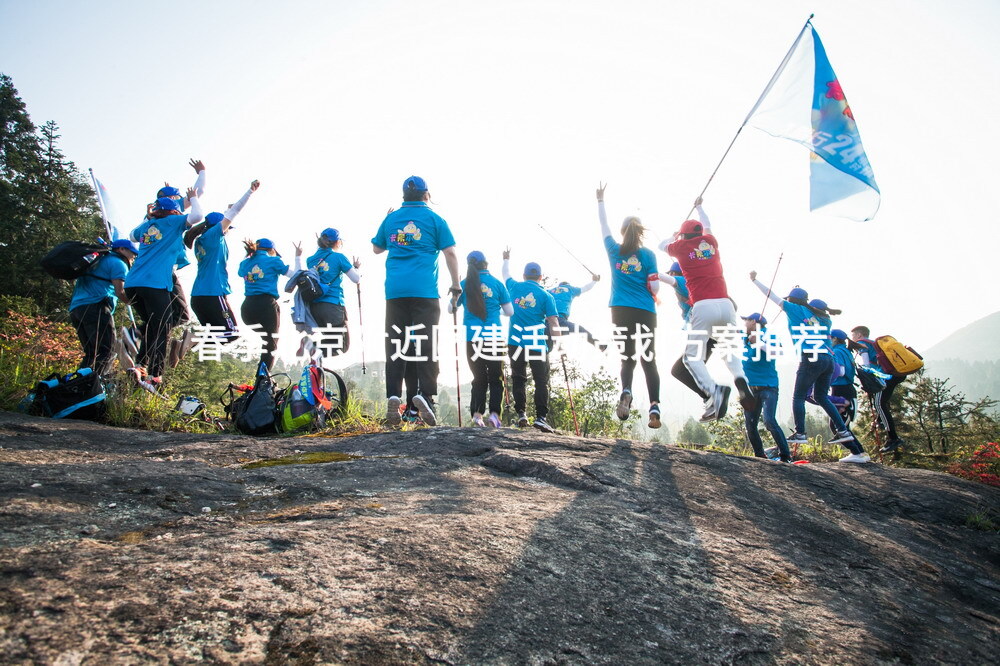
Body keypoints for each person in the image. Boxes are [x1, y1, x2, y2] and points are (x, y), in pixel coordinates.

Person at [750, 274, 870, 463]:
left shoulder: (794, 309)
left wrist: (755, 281)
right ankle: (843, 430)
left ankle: (800, 433)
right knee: (820, 396)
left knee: (798, 396)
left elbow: (771, 295)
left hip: (810, 358)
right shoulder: (824, 319)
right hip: (828, 360)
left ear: (792, 299)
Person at [372, 176, 460, 427]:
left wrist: (387, 220)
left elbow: (377, 249)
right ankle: (426, 396)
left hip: (396, 292)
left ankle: (393, 396)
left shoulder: (391, 219)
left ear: (403, 195)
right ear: (426, 195)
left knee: (397, 344)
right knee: (425, 344)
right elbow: (451, 252)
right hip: (425, 292)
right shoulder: (435, 219)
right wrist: (456, 284)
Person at [664, 197, 753, 423]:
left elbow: (660, 246)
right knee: (729, 351)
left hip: (703, 307)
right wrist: (700, 207)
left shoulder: (681, 249)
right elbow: (708, 224)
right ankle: (740, 379)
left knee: (691, 359)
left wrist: (675, 237)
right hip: (725, 305)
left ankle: (714, 392)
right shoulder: (711, 242)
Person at [596, 184, 662, 428]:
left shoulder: (614, 250)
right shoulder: (649, 255)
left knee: (627, 359)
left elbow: (604, 227)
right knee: (649, 360)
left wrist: (600, 200)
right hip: (645, 311)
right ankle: (654, 406)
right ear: (640, 232)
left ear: (623, 232)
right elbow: (655, 289)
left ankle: (626, 390)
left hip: (620, 310)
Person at [124, 188, 204, 384]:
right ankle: (155, 376)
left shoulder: (147, 225)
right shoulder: (173, 222)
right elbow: (198, 215)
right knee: (162, 327)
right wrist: (193, 196)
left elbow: (131, 236)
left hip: (133, 283)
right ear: (174, 211)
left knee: (154, 325)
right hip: (154, 283)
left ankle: (139, 365)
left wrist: (149, 216)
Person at [184, 179, 261, 343]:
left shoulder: (201, 239)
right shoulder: (214, 236)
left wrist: (227, 209)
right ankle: (193, 339)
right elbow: (234, 213)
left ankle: (189, 341)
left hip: (198, 296)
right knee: (231, 333)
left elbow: (228, 215)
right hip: (213, 293)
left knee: (222, 336)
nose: (227, 230)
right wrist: (250, 192)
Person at [450, 250, 513, 427]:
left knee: (478, 378)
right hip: (494, 337)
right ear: (486, 263)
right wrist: (494, 309)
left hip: (472, 338)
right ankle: (494, 415)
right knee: (495, 377)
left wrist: (456, 297)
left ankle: (477, 415)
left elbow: (450, 308)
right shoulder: (497, 284)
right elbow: (509, 312)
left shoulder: (464, 284)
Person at [502, 251, 561, 432]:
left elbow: (506, 274)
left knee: (519, 378)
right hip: (536, 343)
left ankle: (521, 414)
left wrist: (506, 259)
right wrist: (558, 343)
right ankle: (541, 418)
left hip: (515, 342)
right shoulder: (546, 296)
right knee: (541, 380)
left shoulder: (514, 287)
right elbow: (553, 322)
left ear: (524, 276)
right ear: (540, 277)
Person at [69, 239, 138, 376]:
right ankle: (94, 386)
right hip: (97, 307)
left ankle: (78, 386)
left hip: (76, 308)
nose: (134, 256)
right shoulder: (118, 263)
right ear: (122, 249)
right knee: (107, 351)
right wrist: (136, 304)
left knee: (91, 353)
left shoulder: (96, 260)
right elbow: (120, 292)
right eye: (132, 253)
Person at [659, 260, 718, 407]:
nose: (671, 275)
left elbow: (667, 279)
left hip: (706, 334)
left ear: (675, 273)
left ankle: (713, 394)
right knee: (690, 370)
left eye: (672, 273)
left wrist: (647, 271)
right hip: (711, 335)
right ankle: (711, 397)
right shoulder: (692, 285)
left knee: (679, 370)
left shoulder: (682, 281)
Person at [238, 238, 302, 370]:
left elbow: (241, 273)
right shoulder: (274, 261)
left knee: (266, 340)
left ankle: (261, 373)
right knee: (271, 343)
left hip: (247, 309)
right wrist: (298, 257)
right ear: (272, 250)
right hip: (266, 306)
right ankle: (262, 379)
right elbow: (295, 275)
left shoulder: (244, 263)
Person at [740, 313, 791, 462]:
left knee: (769, 420)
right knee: (750, 424)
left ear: (754, 321)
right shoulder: (745, 338)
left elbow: (779, 352)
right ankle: (759, 455)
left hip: (768, 387)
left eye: (746, 321)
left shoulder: (768, 335)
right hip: (749, 388)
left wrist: (759, 343)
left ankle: (785, 455)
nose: (744, 324)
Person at [306, 227, 361, 357]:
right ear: (337, 242)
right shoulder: (339, 257)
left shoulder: (310, 260)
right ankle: (311, 347)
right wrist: (356, 268)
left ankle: (315, 362)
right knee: (342, 345)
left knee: (331, 342)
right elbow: (356, 278)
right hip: (333, 306)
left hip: (315, 308)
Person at [850, 325, 905, 453]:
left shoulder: (862, 343)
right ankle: (880, 421)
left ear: (859, 335)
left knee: (879, 404)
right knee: (882, 402)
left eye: (853, 336)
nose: (852, 339)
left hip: (885, 376)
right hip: (897, 374)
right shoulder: (875, 343)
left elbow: (866, 364)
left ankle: (893, 438)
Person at [547, 275, 603, 349]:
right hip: (561, 321)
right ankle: (597, 344)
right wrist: (594, 281)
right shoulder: (570, 288)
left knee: (547, 344)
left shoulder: (550, 291)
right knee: (580, 330)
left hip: (548, 322)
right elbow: (585, 288)